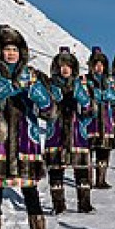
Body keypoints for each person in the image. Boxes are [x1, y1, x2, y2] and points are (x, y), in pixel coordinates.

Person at [0, 24, 56, 229]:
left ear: (22, 52)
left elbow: (51, 112)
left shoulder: (33, 76)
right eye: (6, 49)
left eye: (14, 49)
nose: (11, 53)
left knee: (31, 191)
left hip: (25, 141)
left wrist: (41, 97)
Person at [45, 46, 96, 213]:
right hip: (56, 131)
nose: (65, 69)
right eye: (61, 65)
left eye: (68, 65)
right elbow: (43, 110)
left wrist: (83, 122)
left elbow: (90, 109)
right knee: (56, 169)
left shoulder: (79, 85)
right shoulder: (51, 85)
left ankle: (84, 204)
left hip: (76, 133)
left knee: (81, 169)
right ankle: (58, 206)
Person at [85, 46, 115, 188]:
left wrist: (112, 96)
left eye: (102, 65)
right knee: (88, 152)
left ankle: (101, 179)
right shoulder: (85, 80)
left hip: (106, 120)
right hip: (90, 120)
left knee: (103, 152)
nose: (99, 67)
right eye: (96, 64)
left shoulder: (110, 82)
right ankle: (87, 179)